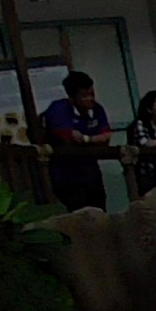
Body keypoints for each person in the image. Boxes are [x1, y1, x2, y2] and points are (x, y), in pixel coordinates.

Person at [42, 71, 113, 212]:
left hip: (90, 170)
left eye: (92, 94)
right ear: (72, 97)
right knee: (76, 212)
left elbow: (106, 136)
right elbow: (68, 137)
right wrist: (89, 139)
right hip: (65, 172)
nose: (90, 99)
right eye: (84, 96)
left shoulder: (97, 109)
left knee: (99, 209)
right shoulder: (59, 108)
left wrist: (87, 139)